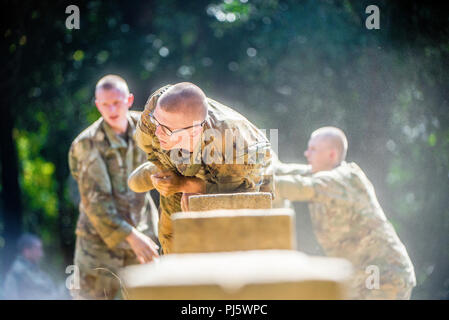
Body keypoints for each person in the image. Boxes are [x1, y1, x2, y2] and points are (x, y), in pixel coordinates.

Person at [128, 82, 273, 254]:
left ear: (194, 132)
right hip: (181, 154)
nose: (157, 132)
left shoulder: (236, 148)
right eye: (156, 122)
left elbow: (237, 197)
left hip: (238, 178)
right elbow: (150, 146)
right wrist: (169, 176)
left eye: (166, 129)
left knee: (232, 241)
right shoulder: (157, 108)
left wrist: (189, 185)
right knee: (173, 237)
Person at [274, 126, 416, 299]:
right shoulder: (325, 174)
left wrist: (256, 179)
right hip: (364, 276)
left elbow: (293, 187)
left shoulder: (341, 180)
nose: (306, 153)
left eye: (313, 149)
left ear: (332, 155)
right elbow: (286, 172)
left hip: (385, 275)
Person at [68, 74, 160, 300]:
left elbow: (169, 167)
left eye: (117, 103)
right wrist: (131, 236)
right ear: (98, 105)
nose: (111, 110)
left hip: (142, 233)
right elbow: (96, 203)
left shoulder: (149, 130)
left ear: (129, 100)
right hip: (98, 247)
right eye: (105, 104)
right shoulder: (86, 144)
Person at [2, 233, 58, 299]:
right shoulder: (17, 274)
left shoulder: (38, 273)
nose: (41, 254)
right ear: (27, 251)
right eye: (38, 249)